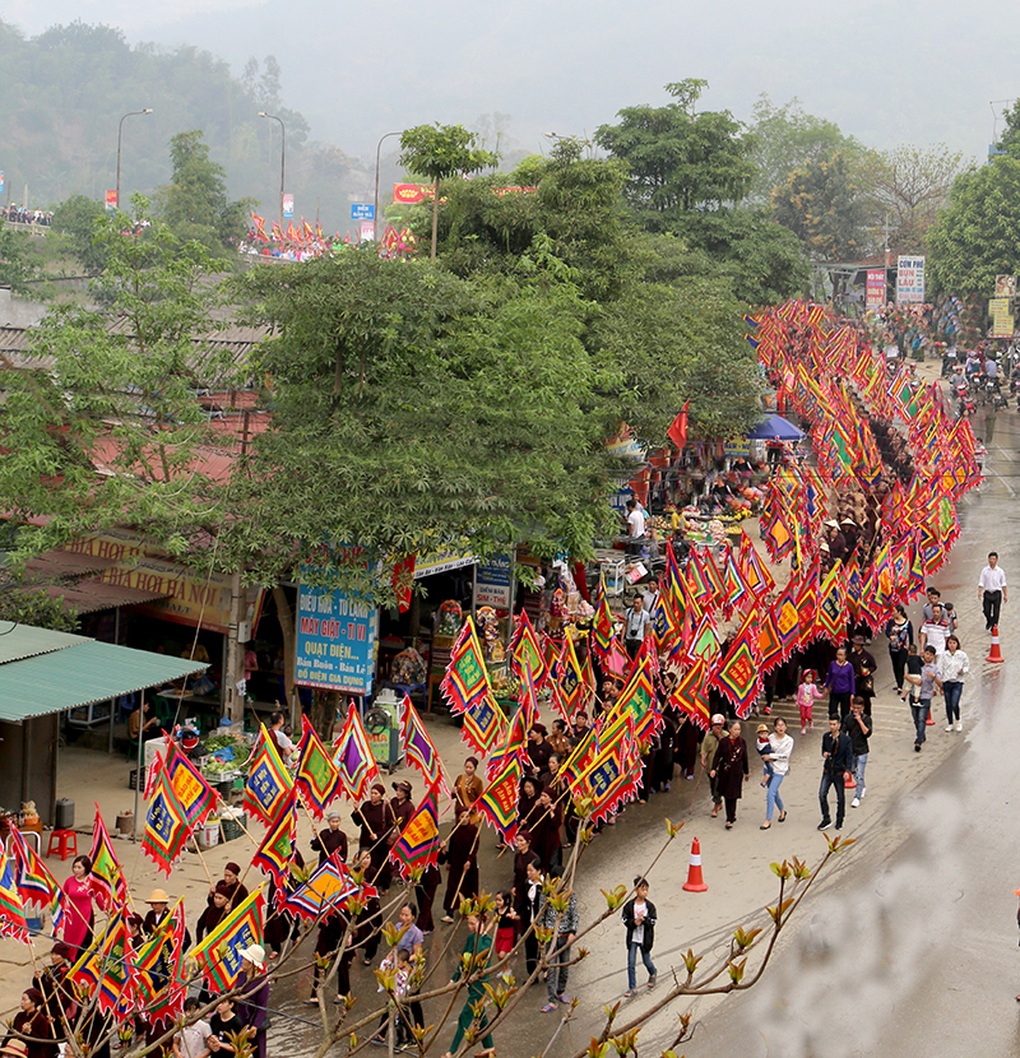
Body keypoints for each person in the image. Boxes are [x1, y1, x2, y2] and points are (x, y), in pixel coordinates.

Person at [441, 914, 495, 1058]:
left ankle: (451, 1052)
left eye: (473, 924)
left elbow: (478, 955)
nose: (469, 927)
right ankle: (489, 1048)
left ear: (481, 923)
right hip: (469, 982)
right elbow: (463, 959)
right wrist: (454, 980)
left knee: (465, 1016)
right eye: (468, 924)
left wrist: (481, 936)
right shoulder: (471, 938)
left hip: (480, 985)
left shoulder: (487, 940)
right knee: (480, 1014)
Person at [540, 868, 578, 1012]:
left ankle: (560, 991)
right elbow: (541, 917)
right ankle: (551, 1000)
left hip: (565, 935)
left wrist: (572, 932)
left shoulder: (570, 895)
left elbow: (574, 915)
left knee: (565, 968)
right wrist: (542, 935)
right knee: (551, 969)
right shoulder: (546, 895)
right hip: (551, 936)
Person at [438, 805, 479, 922]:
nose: (465, 819)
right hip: (456, 864)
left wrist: (469, 861)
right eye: (462, 817)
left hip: (469, 865)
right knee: (453, 887)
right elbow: (453, 847)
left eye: (467, 816)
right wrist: (448, 860)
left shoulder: (473, 830)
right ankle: (450, 912)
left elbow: (475, 848)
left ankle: (470, 910)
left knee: (469, 888)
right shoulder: (455, 830)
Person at [621, 877, 657, 997]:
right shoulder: (629, 906)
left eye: (646, 890)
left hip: (644, 939)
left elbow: (653, 921)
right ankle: (632, 987)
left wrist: (644, 919)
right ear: (636, 890)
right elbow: (624, 919)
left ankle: (652, 972)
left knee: (646, 960)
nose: (645, 892)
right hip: (633, 939)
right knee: (631, 963)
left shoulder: (650, 907)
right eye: (643, 890)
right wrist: (633, 923)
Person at [710, 719, 749, 830]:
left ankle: (732, 814)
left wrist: (746, 772)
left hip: (737, 772)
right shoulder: (723, 742)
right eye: (735, 729)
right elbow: (717, 756)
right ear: (729, 730)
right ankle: (729, 818)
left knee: (734, 795)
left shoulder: (742, 742)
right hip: (725, 772)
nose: (737, 732)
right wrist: (713, 768)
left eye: (739, 729)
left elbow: (745, 758)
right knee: (727, 795)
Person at [818, 717, 853, 832]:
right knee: (822, 794)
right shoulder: (826, 737)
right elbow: (823, 749)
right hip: (828, 770)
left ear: (839, 725)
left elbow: (849, 756)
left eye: (834, 724)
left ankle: (840, 820)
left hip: (839, 772)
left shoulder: (845, 740)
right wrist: (824, 753)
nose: (832, 727)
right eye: (830, 724)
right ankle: (826, 818)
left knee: (840, 798)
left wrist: (847, 770)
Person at [235, 944, 270, 1058]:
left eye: (245, 959)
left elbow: (262, 1007)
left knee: (258, 1054)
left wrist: (254, 1027)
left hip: (255, 1023)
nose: (242, 960)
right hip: (241, 1021)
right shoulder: (240, 976)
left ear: (252, 963)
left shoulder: (262, 983)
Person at [760, 717, 793, 830]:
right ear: (774, 727)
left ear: (786, 727)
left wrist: (771, 756)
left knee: (770, 793)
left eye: (782, 725)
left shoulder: (789, 740)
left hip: (780, 770)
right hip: (769, 769)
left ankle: (768, 819)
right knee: (774, 792)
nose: (780, 727)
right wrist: (765, 757)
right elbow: (763, 750)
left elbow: (785, 756)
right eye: (778, 725)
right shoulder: (770, 738)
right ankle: (782, 810)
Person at [3, 990, 56, 1058]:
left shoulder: (41, 1020)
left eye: (24, 1000)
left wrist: (30, 1032)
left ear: (33, 1002)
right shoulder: (20, 1016)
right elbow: (10, 1034)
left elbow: (43, 1043)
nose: (22, 1002)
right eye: (22, 999)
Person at [842, 696, 873, 809]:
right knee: (853, 771)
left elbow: (867, 733)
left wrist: (859, 720)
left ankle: (857, 797)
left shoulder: (867, 719)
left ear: (862, 708)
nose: (855, 710)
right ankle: (862, 786)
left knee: (860, 773)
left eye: (858, 708)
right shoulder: (848, 718)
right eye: (854, 708)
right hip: (851, 750)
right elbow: (843, 732)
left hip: (862, 750)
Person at [60, 856, 95, 955]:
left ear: (86, 868)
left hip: (85, 916)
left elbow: (99, 897)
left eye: (79, 867)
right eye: (75, 867)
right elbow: (63, 896)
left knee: (83, 942)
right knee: (70, 939)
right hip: (71, 917)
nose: (76, 870)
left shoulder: (91, 882)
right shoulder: (69, 881)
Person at [936, 634, 970, 732]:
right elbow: (940, 668)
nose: (952, 645)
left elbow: (967, 666)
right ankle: (950, 723)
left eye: (954, 643)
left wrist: (962, 671)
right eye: (950, 643)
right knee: (948, 703)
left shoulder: (962, 655)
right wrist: (939, 681)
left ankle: (958, 720)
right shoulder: (944, 655)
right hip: (947, 682)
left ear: (957, 644)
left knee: (954, 702)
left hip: (957, 682)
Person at [701, 714, 728, 818]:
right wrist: (703, 759)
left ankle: (716, 806)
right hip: (711, 766)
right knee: (713, 786)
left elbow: (726, 748)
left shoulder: (726, 736)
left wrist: (719, 737)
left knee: (718, 786)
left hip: (721, 767)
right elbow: (704, 749)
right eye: (715, 725)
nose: (718, 727)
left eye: (720, 725)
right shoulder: (708, 736)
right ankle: (718, 801)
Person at [884, 605, 913, 694]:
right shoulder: (891, 622)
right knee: (895, 666)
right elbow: (887, 631)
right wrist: (890, 636)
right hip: (893, 648)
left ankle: (900, 685)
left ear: (899, 612)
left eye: (894, 611)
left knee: (901, 666)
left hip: (903, 648)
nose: (892, 613)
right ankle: (898, 682)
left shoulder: (907, 623)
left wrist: (911, 647)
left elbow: (910, 635)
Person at [978, 551, 1008, 631]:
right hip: (987, 593)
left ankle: (994, 626)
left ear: (997, 560)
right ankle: (989, 620)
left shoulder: (1000, 571)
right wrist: (980, 592)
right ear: (988, 559)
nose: (992, 561)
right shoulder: (984, 571)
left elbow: (1003, 584)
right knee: (986, 610)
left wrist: (1005, 595)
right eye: (991, 559)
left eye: (994, 559)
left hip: (997, 593)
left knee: (996, 611)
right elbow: (981, 582)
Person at [824, 646, 855, 720]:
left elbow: (851, 680)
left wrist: (852, 693)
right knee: (832, 710)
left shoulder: (849, 666)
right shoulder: (833, 664)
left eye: (841, 655)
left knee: (845, 712)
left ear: (845, 656)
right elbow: (829, 676)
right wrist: (826, 686)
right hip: (834, 691)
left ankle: (843, 728)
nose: (839, 657)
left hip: (845, 692)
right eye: (838, 654)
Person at [623, 594, 651, 660]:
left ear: (642, 603)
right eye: (634, 603)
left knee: (636, 660)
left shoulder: (646, 615)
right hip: (629, 639)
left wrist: (646, 641)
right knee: (629, 659)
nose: (636, 605)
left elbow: (647, 629)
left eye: (638, 603)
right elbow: (625, 625)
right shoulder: (628, 612)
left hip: (639, 640)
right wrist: (622, 639)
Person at [796, 669, 824, 735]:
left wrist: (822, 695)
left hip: (809, 704)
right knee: (802, 716)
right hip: (802, 703)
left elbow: (816, 694)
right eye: (808, 677)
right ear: (804, 678)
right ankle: (803, 727)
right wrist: (797, 702)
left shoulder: (813, 687)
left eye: (811, 677)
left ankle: (810, 721)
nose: (809, 679)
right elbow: (799, 695)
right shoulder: (801, 687)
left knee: (808, 715)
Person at [494, 890, 519, 961]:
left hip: (508, 934)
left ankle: (506, 970)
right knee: (499, 955)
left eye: (500, 900)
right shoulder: (496, 911)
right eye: (496, 900)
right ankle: (505, 969)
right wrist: (486, 931)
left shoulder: (509, 909)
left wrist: (512, 915)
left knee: (502, 955)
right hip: (499, 933)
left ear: (506, 900)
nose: (497, 902)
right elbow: (493, 922)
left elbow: (515, 915)